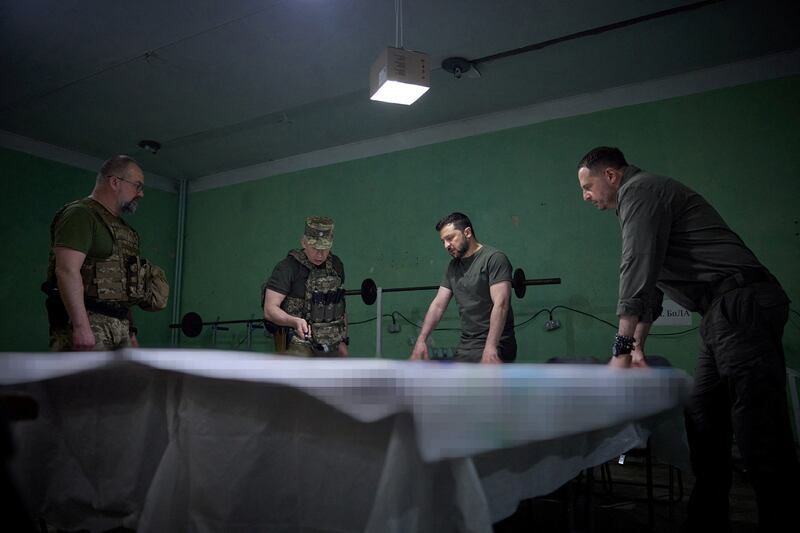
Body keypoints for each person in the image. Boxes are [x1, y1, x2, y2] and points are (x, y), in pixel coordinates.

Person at [577, 146, 798, 532]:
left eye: (588, 186)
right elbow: (652, 289)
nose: (586, 197)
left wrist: (621, 351)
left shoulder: (640, 191)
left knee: (758, 428)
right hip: (721, 313)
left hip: (740, 305)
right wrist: (640, 346)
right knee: (703, 417)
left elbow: (635, 266)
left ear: (611, 176)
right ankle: (706, 521)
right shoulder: (644, 199)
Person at [43, 155, 168, 351]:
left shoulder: (126, 230)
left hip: (120, 327)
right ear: (115, 182)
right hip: (89, 323)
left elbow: (125, 286)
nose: (141, 194)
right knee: (86, 383)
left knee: (124, 382)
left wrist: (130, 332)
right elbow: (66, 271)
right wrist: (80, 326)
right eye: (138, 186)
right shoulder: (80, 214)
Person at [411, 212, 516, 363]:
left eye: (450, 238)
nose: (446, 245)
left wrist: (491, 347)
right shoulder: (453, 267)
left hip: (498, 343)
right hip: (467, 345)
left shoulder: (494, 259)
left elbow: (502, 304)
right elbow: (438, 305)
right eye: (443, 241)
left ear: (467, 232)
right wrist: (421, 340)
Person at [262, 216, 348, 357]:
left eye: (324, 248)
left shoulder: (336, 266)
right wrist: (295, 322)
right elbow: (269, 309)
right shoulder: (287, 267)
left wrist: (343, 339)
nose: (320, 254)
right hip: (298, 340)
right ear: (304, 242)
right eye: (315, 248)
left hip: (331, 341)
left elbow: (340, 304)